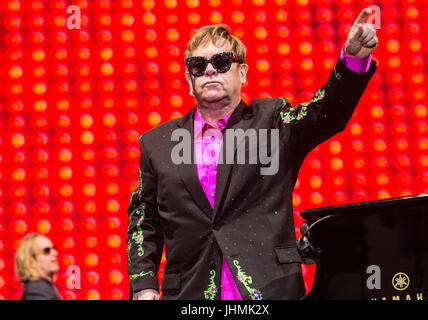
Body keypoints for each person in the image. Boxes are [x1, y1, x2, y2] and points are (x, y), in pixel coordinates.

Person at [127, 8, 378, 300]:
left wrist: (353, 62)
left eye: (221, 62)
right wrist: (143, 285)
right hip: (189, 295)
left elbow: (326, 114)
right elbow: (144, 217)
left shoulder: (271, 120)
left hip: (269, 290)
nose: (209, 70)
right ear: (188, 78)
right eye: (198, 65)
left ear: (242, 72)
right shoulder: (158, 142)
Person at [15, 233, 62, 300]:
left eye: (54, 248)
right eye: (47, 251)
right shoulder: (37, 290)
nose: (55, 253)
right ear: (31, 261)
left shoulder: (44, 287)